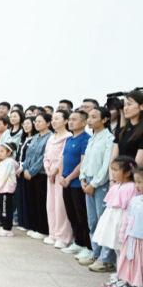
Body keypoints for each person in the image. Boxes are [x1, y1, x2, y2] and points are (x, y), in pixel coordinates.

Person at [78, 107, 116, 266]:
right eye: (89, 117)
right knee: (92, 221)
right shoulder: (92, 138)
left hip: (100, 184)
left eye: (94, 117)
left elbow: (107, 165)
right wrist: (82, 178)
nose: (89, 120)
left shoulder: (110, 138)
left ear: (105, 119)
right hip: (88, 181)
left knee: (103, 221)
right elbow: (86, 161)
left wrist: (94, 183)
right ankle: (96, 253)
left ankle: (106, 259)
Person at [91, 157, 137, 279]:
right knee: (116, 246)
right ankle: (119, 272)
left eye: (116, 170)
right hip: (112, 219)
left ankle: (124, 275)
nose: (113, 173)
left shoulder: (131, 187)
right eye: (112, 170)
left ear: (127, 172)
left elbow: (130, 208)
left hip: (122, 220)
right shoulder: (116, 186)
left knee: (123, 248)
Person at [59, 110, 91, 256]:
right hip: (65, 182)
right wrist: (61, 176)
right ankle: (77, 242)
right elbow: (63, 159)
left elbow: (82, 163)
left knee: (81, 215)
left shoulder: (86, 139)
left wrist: (69, 178)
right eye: (70, 119)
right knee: (71, 214)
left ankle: (86, 246)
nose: (71, 122)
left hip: (77, 184)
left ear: (84, 122)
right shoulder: (69, 139)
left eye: (74, 119)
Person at [116, 166, 143, 287]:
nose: (137, 185)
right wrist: (124, 235)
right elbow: (128, 219)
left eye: (140, 182)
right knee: (138, 277)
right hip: (134, 242)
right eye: (136, 182)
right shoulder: (135, 200)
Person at [43, 110, 73, 249]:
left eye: (57, 118)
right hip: (50, 174)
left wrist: (54, 170)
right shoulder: (51, 137)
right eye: (53, 119)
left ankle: (63, 237)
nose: (53, 121)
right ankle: (53, 233)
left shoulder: (68, 137)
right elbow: (46, 155)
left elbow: (63, 156)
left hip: (60, 174)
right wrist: (48, 169)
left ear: (66, 121)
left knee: (60, 206)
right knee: (51, 204)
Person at [23, 113, 53, 240]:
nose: (36, 123)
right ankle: (34, 226)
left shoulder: (50, 137)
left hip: (40, 174)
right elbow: (28, 155)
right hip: (29, 174)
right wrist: (25, 169)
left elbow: (43, 157)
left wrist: (31, 171)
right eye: (35, 121)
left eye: (40, 121)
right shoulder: (35, 137)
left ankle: (42, 229)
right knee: (32, 201)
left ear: (48, 123)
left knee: (41, 202)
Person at [0, 142, 19, 236]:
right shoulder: (3, 162)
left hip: (6, 190)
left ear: (9, 153)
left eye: (2, 151)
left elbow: (3, 177)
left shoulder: (9, 163)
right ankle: (3, 227)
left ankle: (7, 229)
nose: (0, 153)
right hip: (0, 190)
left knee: (5, 210)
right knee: (1, 209)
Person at [111, 90, 143, 167]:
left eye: (129, 104)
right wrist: (113, 175)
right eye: (124, 105)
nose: (125, 108)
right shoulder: (122, 130)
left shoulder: (141, 131)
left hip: (134, 173)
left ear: (141, 106)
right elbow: (113, 158)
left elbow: (138, 164)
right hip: (117, 172)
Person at [15, 117, 36, 230]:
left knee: (28, 198)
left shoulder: (34, 139)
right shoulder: (24, 138)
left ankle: (28, 223)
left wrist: (22, 167)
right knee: (20, 197)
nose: (26, 126)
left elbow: (30, 157)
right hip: (19, 170)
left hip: (27, 170)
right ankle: (21, 221)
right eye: (24, 124)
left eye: (28, 123)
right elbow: (19, 155)